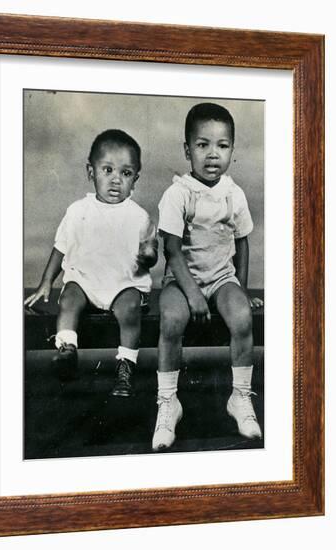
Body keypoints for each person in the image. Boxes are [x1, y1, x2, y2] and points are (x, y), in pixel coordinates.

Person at [152, 102, 263, 451]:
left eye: (222, 145)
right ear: (188, 150)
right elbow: (171, 250)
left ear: (232, 149)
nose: (213, 155)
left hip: (220, 278)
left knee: (242, 316)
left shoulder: (234, 194)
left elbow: (242, 241)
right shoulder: (178, 193)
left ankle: (240, 396)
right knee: (171, 318)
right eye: (203, 145)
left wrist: (240, 290)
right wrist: (193, 294)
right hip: (181, 281)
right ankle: (168, 402)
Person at [25, 129, 158, 397]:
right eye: (107, 170)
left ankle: (125, 367)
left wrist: (149, 255)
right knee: (70, 297)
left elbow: (150, 255)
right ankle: (67, 349)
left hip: (122, 285)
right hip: (87, 283)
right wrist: (45, 284)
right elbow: (60, 248)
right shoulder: (78, 211)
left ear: (136, 180)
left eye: (126, 173)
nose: (115, 180)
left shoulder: (139, 216)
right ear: (91, 171)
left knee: (131, 306)